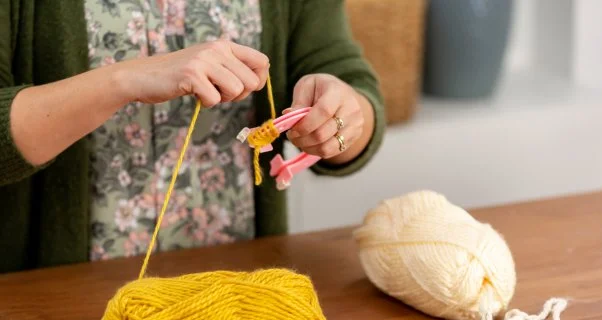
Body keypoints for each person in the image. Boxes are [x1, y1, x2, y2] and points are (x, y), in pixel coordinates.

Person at [0, 0, 385, 274]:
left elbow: (346, 80)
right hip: (52, 302)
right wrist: (122, 80)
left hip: (236, 294)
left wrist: (341, 116)